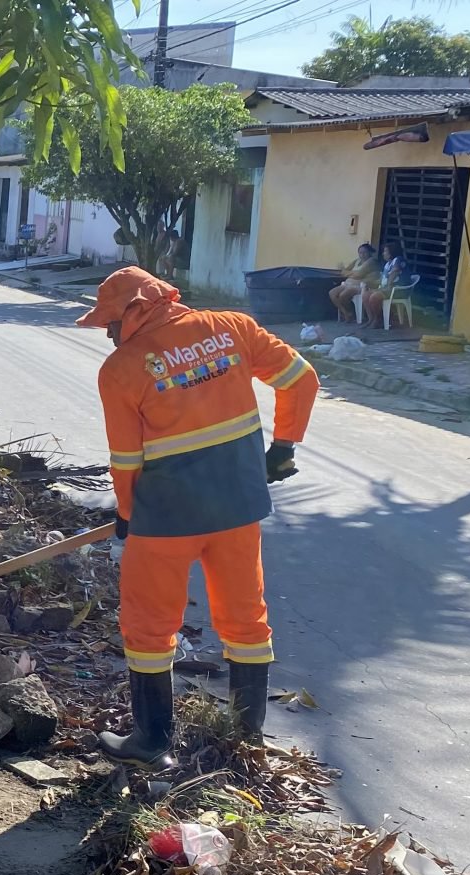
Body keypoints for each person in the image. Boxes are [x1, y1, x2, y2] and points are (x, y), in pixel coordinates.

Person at [80, 266, 319, 762]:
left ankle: (151, 741)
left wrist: (127, 514)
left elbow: (126, 460)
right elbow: (301, 379)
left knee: (148, 627)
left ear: (135, 310)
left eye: (109, 323)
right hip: (237, 509)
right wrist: (283, 449)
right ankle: (244, 740)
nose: (107, 333)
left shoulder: (122, 370)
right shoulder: (233, 327)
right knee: (246, 620)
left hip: (166, 518)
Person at [327, 242, 380, 322]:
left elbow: (358, 275)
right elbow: (343, 271)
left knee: (343, 295)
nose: (362, 255)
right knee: (332, 293)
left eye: (364, 252)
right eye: (360, 253)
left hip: (361, 286)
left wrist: (348, 273)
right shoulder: (357, 261)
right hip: (348, 283)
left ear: (369, 252)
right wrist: (350, 273)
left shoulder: (371, 261)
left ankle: (351, 313)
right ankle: (346, 313)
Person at [361, 241, 409, 328]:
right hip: (387, 289)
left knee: (374, 297)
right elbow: (382, 280)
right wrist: (369, 282)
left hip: (398, 290)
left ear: (391, 252)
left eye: (385, 251)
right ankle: (371, 319)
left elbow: (395, 271)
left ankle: (377, 320)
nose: (383, 253)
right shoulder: (387, 264)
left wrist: (388, 286)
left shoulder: (398, 259)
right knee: (365, 295)